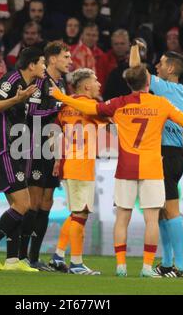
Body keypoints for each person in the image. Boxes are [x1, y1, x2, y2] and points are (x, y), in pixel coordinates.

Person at [50, 63, 183, 278]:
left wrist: (63, 96)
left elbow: (90, 108)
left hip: (126, 167)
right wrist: (166, 113)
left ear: (128, 83)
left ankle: (121, 267)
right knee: (151, 219)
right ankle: (146, 268)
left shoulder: (118, 104)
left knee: (122, 218)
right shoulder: (161, 103)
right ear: (147, 83)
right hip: (152, 167)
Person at [131, 42, 183, 278]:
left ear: (170, 68)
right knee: (161, 210)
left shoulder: (162, 87)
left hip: (164, 154)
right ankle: (168, 263)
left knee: (171, 210)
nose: (157, 66)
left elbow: (135, 70)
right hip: (173, 154)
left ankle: (180, 267)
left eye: (161, 62)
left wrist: (135, 48)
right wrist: (178, 141)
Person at [0, 46, 46, 272]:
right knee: (23, 204)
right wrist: (16, 99)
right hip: (4, 148)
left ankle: (13, 259)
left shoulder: (31, 87)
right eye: (42, 62)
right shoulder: (12, 79)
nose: (44, 67)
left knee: (18, 207)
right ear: (32, 64)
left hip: (18, 149)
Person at [49, 68, 106, 275]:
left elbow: (55, 133)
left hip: (69, 163)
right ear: (86, 86)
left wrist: (57, 159)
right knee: (80, 214)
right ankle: (76, 263)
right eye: (96, 80)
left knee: (75, 213)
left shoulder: (65, 105)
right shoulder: (90, 105)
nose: (99, 84)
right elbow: (108, 118)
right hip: (81, 165)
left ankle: (58, 255)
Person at [21, 41, 72, 271]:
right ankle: (21, 257)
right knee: (33, 202)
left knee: (47, 203)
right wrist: (58, 105)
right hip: (35, 145)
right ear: (52, 59)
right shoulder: (41, 82)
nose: (69, 61)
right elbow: (32, 112)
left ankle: (34, 257)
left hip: (53, 149)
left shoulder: (61, 84)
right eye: (66, 56)